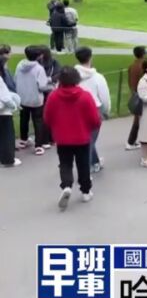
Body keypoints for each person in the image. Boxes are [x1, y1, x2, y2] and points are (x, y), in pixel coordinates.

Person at [44, 66, 101, 209]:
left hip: (62, 138)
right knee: (83, 164)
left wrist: (55, 128)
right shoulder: (85, 96)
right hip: (82, 137)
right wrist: (91, 127)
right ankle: (86, 191)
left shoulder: (53, 97)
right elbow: (94, 119)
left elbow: (47, 117)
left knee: (65, 163)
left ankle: (66, 185)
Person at [74, 47, 111, 173]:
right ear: (90, 57)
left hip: (76, 110)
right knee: (89, 140)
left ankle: (95, 162)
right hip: (94, 110)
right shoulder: (98, 77)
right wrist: (106, 111)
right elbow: (104, 97)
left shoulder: (71, 76)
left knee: (88, 139)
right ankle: (85, 169)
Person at [15, 46, 51, 155]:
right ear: (38, 56)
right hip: (36, 99)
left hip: (22, 97)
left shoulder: (20, 65)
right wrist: (51, 85)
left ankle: (23, 139)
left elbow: (15, 79)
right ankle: (38, 145)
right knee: (38, 121)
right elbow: (42, 86)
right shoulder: (39, 69)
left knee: (24, 119)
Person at [0, 44, 21, 167]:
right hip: (3, 111)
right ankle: (8, 160)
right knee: (7, 135)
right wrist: (14, 105)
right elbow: (5, 97)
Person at [126, 46, 147, 150]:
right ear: (143, 54)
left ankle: (135, 140)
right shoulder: (143, 66)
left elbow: (129, 81)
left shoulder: (132, 66)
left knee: (138, 118)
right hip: (141, 94)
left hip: (134, 93)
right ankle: (131, 141)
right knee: (138, 120)